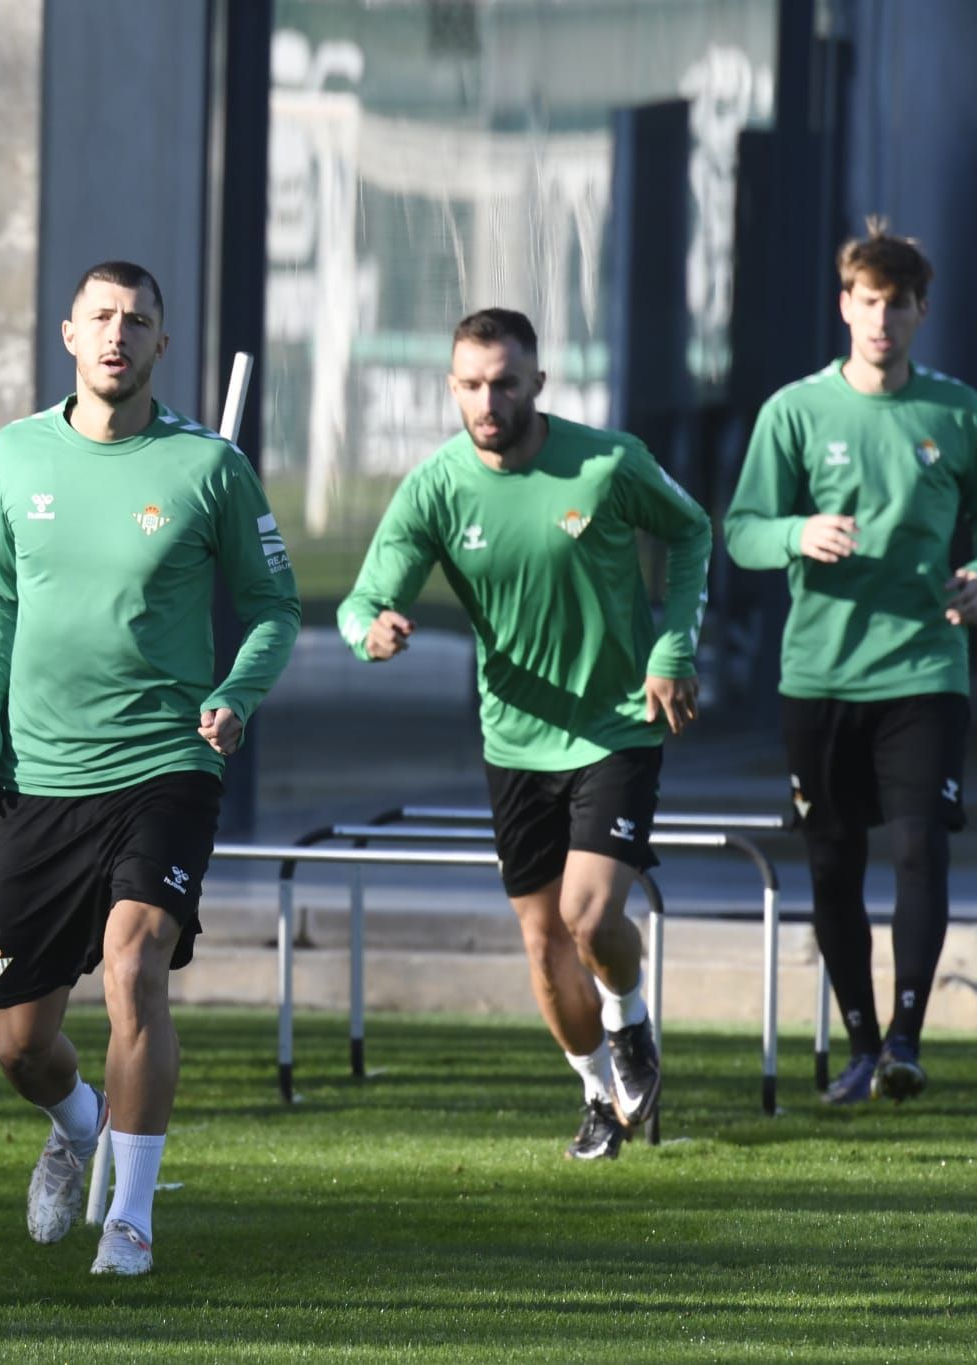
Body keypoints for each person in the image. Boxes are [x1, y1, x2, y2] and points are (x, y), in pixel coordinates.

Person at [0, 261, 300, 1275]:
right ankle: (75, 1124)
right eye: (99, 318)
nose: (115, 336)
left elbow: (275, 608)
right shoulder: (18, 453)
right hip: (41, 776)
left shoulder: (207, 468)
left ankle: (132, 1218)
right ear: (68, 333)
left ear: (158, 344)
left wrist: (234, 694)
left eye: (135, 322)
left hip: (166, 763)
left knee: (134, 964)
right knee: (19, 1045)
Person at [337, 306, 711, 1161]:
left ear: (539, 382)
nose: (488, 400)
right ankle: (594, 1092)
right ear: (451, 388)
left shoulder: (609, 461)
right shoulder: (435, 485)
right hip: (514, 738)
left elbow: (691, 530)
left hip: (618, 723)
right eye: (470, 384)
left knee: (588, 915)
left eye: (505, 382)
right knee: (545, 945)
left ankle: (630, 1019)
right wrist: (372, 633)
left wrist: (674, 643)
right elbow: (363, 599)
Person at [724, 219, 977, 1104]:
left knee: (922, 848)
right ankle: (858, 1045)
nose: (881, 318)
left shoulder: (958, 413)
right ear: (844, 306)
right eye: (867, 300)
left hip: (925, 673)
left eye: (898, 303)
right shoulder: (796, 411)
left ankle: (905, 1040)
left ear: (922, 311)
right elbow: (740, 533)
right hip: (819, 675)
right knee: (832, 861)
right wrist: (796, 532)